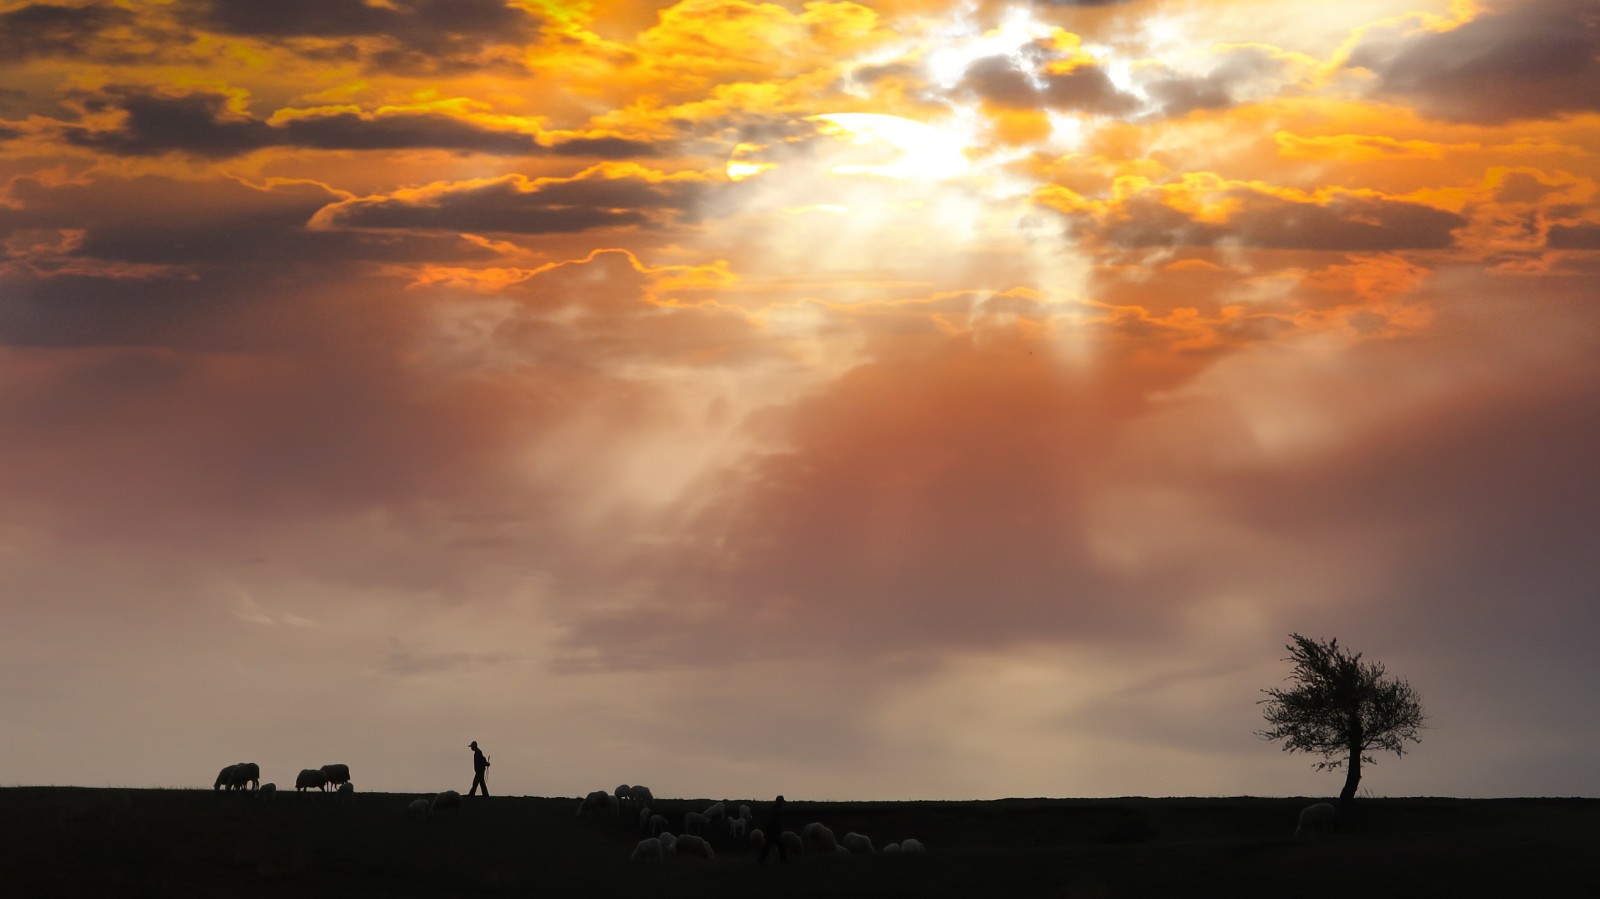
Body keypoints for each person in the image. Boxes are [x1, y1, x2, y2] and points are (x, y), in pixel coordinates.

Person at [757, 794, 786, 864]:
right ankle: (761, 860)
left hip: (772, 832)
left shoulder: (774, 809)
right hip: (773, 832)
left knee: (775, 846)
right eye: (782, 801)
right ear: (779, 802)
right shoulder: (776, 810)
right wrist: (776, 831)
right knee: (769, 846)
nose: (782, 803)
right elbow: (774, 822)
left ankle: (783, 859)